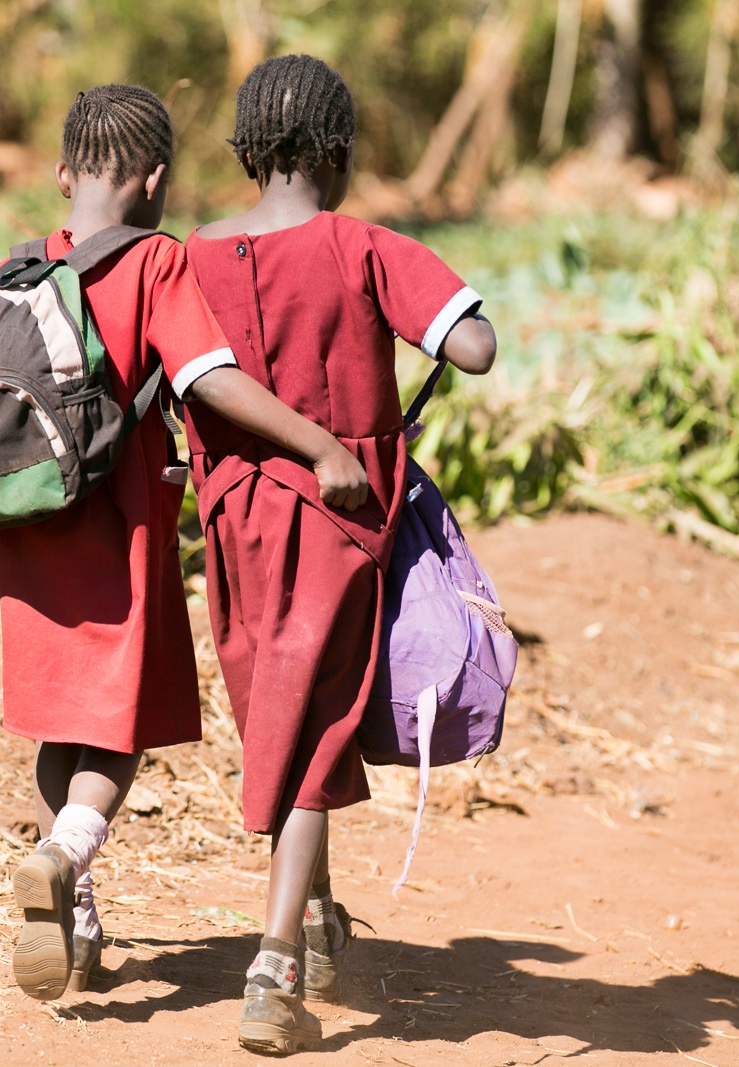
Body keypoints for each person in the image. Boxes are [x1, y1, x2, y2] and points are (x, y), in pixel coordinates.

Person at [0, 84, 372, 1005]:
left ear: (63, 174)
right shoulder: (153, 266)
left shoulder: (17, 269)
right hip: (113, 534)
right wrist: (317, 442)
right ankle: (63, 855)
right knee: (119, 731)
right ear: (158, 180)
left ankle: (78, 916)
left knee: (62, 723)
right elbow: (209, 380)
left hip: (25, 542)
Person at [184, 55, 498, 1054]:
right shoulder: (363, 246)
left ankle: (315, 915)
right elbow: (474, 347)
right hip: (339, 516)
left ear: (244, 152)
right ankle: (274, 961)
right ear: (341, 151)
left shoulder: (190, 256)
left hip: (232, 519)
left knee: (279, 707)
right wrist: (450, 320)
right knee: (318, 731)